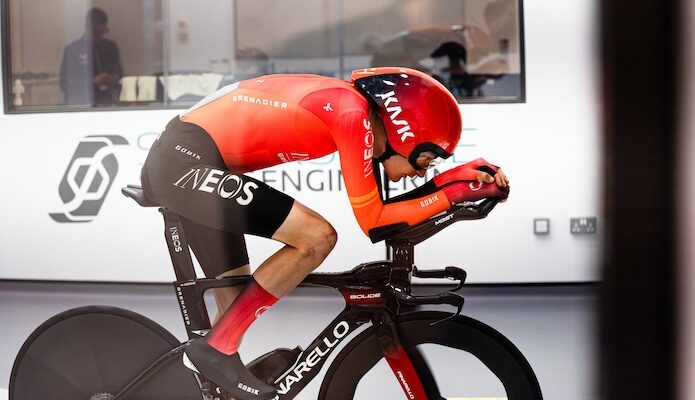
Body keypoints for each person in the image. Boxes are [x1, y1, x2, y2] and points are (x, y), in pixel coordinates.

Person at [140, 67, 509, 399]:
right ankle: (213, 350)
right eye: (425, 159)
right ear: (405, 131)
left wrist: (458, 180)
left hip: (194, 159)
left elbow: (389, 213)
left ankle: (214, 371)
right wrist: (455, 191)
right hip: (183, 161)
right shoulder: (352, 115)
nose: (421, 172)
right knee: (316, 237)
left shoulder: (352, 109)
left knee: (234, 305)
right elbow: (376, 222)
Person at [59, 7, 122, 105]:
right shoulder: (73, 50)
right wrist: (93, 82)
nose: (99, 36)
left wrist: (114, 79)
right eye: (95, 32)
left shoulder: (110, 47)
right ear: (86, 27)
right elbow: (64, 84)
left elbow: (120, 76)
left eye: (102, 32)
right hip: (81, 103)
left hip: (106, 102)